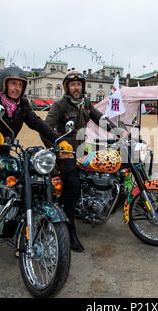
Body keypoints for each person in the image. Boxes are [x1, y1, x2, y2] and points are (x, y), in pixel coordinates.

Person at [0, 66, 65, 227]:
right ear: (4, 83)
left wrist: (58, 140)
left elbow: (37, 123)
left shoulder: (22, 104)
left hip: (3, 154)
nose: (17, 88)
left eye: (20, 85)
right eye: (13, 84)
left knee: (23, 172)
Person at [42, 70, 122, 253]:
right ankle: (69, 231)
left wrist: (120, 131)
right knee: (73, 186)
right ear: (66, 87)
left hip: (80, 152)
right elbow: (45, 129)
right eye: (72, 85)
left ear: (82, 87)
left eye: (79, 84)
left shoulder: (85, 103)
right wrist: (58, 147)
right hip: (64, 154)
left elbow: (101, 119)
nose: (76, 88)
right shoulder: (60, 105)